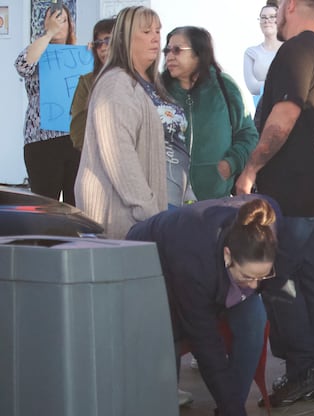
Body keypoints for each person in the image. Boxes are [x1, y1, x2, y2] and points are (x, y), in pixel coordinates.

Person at [235, 0, 314, 408]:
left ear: (293, 5)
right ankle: (311, 366)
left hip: (295, 190)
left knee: (276, 277)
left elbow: (282, 117)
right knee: (311, 278)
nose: (276, 11)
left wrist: (250, 168)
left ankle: (304, 369)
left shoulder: (296, 49)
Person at [127, 196, 278, 416]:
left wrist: (234, 414)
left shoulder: (263, 232)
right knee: (168, 336)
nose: (254, 285)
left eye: (261, 276)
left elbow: (264, 278)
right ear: (228, 256)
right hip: (149, 261)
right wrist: (237, 415)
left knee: (254, 318)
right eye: (248, 277)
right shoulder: (193, 262)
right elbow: (207, 344)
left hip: (208, 264)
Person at [76, 6, 187, 239]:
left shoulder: (145, 83)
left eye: (157, 31)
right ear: (125, 37)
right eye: (146, 31)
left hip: (146, 212)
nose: (155, 37)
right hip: (121, 216)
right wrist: (146, 209)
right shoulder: (117, 83)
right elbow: (118, 154)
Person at [162, 26, 258, 201]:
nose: (169, 56)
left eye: (177, 50)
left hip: (214, 200)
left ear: (198, 53)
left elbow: (248, 135)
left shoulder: (224, 87)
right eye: (166, 50)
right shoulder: (159, 90)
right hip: (167, 201)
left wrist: (231, 163)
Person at [15, 6, 80, 205]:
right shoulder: (37, 51)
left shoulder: (81, 56)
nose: (59, 24)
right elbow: (22, 66)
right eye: (54, 19)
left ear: (71, 26)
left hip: (75, 140)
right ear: (45, 23)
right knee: (45, 204)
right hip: (42, 140)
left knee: (76, 203)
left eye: (64, 20)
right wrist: (49, 33)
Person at [70, 17, 115, 152]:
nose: (102, 48)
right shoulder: (87, 82)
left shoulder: (139, 79)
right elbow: (78, 136)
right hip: (98, 158)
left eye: (108, 41)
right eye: (98, 43)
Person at [243, 1, 282, 97]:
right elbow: (252, 87)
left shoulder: (289, 49)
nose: (267, 20)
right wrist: (281, 83)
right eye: (263, 17)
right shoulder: (251, 52)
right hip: (262, 107)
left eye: (272, 17)